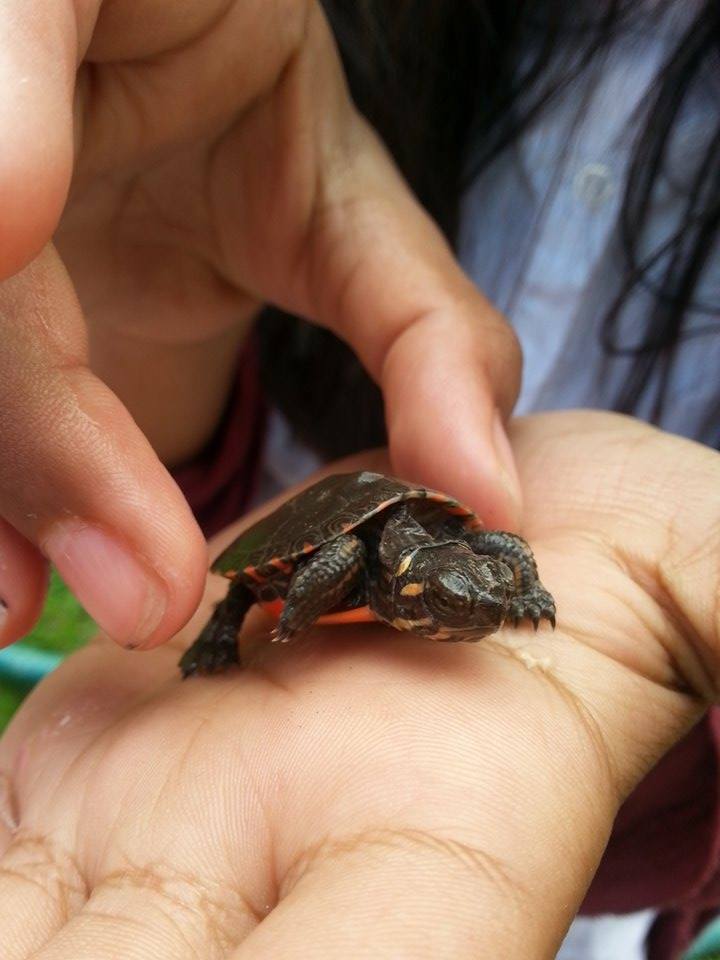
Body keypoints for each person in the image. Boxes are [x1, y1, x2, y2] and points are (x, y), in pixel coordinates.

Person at [0, 2, 716, 958]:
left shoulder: (464, 569)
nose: (478, 612)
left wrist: (530, 590)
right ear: (418, 592)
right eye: (463, 605)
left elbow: (494, 555)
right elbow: (321, 550)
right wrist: (281, 615)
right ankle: (224, 632)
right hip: (288, 516)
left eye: (473, 607)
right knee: (261, 586)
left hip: (605, 887)